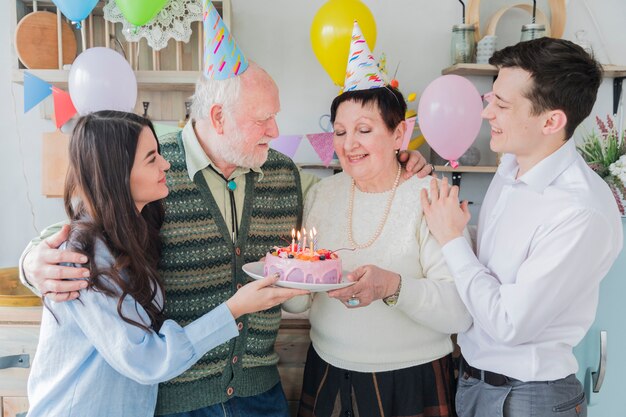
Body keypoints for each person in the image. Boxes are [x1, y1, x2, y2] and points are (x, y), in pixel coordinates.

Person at [18, 6, 431, 417]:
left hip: (260, 393)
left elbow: (351, 189)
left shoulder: (283, 173)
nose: (275, 130)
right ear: (219, 117)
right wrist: (31, 263)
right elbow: (88, 228)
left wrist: (402, 163)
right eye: (264, 119)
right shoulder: (154, 168)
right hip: (177, 400)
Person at [27, 111, 307, 417]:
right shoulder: (85, 258)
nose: (166, 164)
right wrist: (235, 308)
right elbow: (146, 359)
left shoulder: (130, 234)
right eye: (151, 158)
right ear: (116, 174)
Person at [420, 37, 623, 417]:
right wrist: (459, 229)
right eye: (490, 99)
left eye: (502, 104)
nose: (486, 113)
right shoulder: (511, 167)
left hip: (528, 399)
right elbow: (494, 267)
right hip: (472, 382)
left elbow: (509, 324)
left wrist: (451, 239)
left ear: (551, 121)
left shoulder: (580, 212)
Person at [283, 22, 472, 417]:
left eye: (364, 130)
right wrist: (290, 282)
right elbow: (302, 302)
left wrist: (393, 286)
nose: (348, 144)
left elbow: (459, 309)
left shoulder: (430, 196)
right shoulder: (321, 194)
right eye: (339, 131)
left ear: (398, 133)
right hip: (328, 372)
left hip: (412, 381)